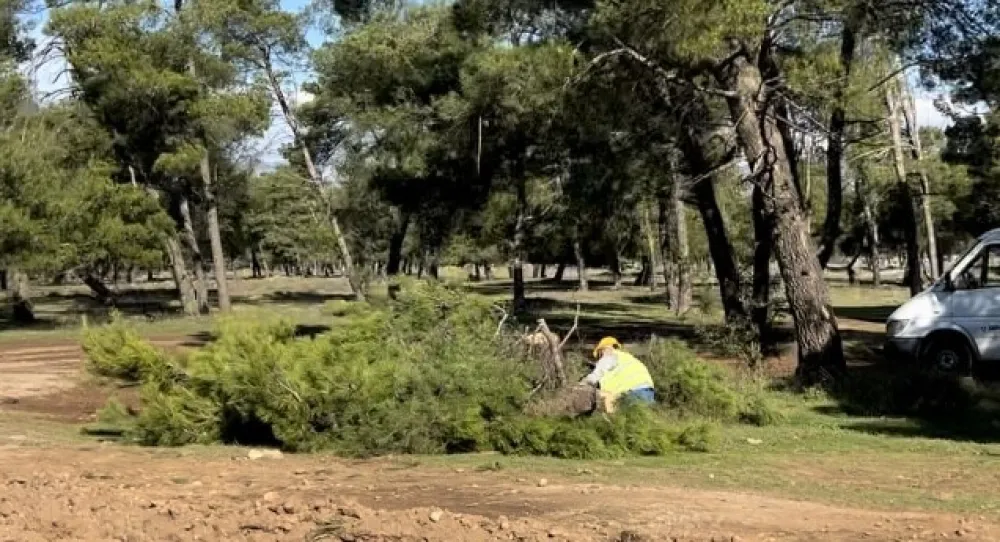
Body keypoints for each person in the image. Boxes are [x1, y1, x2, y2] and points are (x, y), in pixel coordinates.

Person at [580, 337, 655, 408]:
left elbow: (596, 375)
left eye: (599, 355)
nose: (599, 359)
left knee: (612, 411)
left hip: (632, 393)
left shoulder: (609, 356)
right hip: (648, 392)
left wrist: (583, 383)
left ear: (604, 349)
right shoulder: (627, 358)